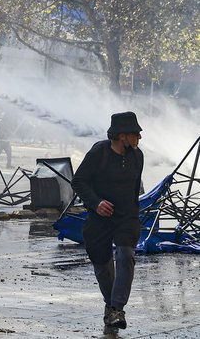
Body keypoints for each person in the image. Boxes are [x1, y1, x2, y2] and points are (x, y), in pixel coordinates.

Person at [71, 111, 144, 331]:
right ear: (122, 135)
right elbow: (79, 182)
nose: (139, 138)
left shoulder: (137, 156)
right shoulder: (98, 153)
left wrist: (132, 214)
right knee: (101, 263)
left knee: (125, 255)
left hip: (126, 217)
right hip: (100, 218)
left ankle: (117, 307)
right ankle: (111, 306)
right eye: (135, 134)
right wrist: (96, 202)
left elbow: (134, 189)